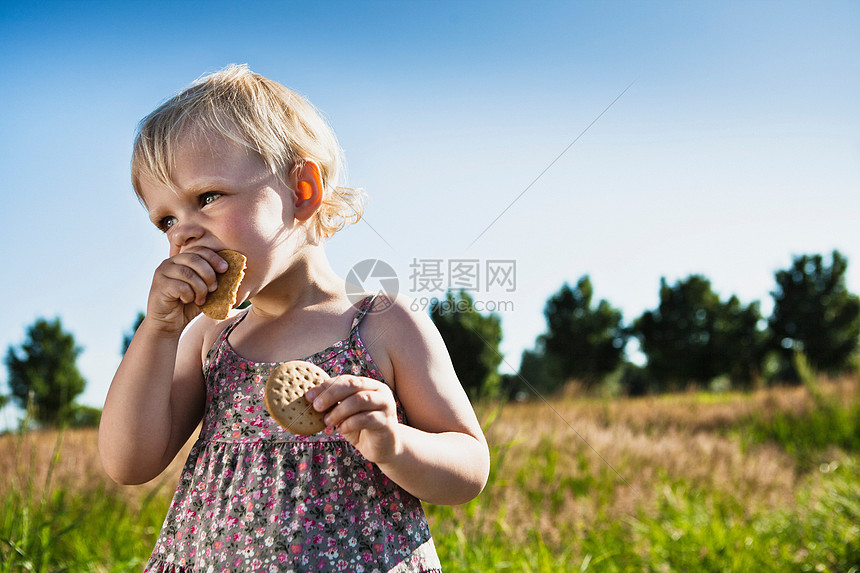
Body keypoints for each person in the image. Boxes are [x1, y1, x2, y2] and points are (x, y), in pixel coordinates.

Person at [99, 64, 490, 573]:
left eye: (207, 198)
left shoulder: (381, 322)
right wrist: (159, 330)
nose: (182, 234)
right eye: (167, 219)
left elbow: (469, 466)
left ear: (302, 191)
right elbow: (128, 462)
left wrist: (395, 445)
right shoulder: (210, 338)